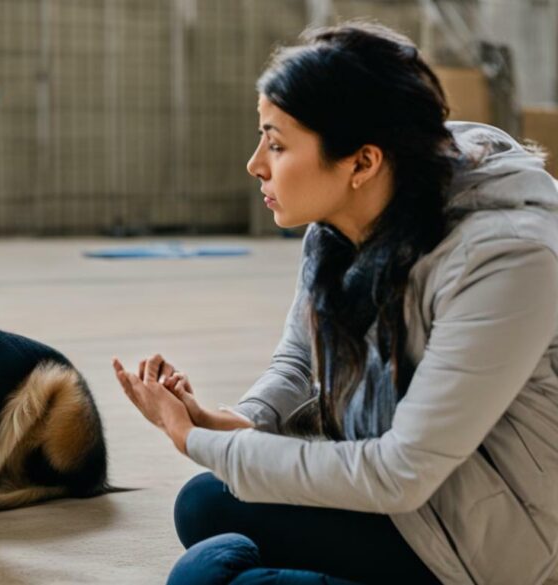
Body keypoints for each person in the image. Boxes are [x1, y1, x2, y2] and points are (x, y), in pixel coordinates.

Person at [114, 21, 558, 585]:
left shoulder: (506, 259)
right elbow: (298, 364)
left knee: (203, 576)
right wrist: (236, 420)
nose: (256, 164)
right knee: (205, 503)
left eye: (276, 144)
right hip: (411, 505)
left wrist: (196, 439)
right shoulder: (338, 227)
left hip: (486, 546)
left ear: (362, 162)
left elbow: (400, 471)